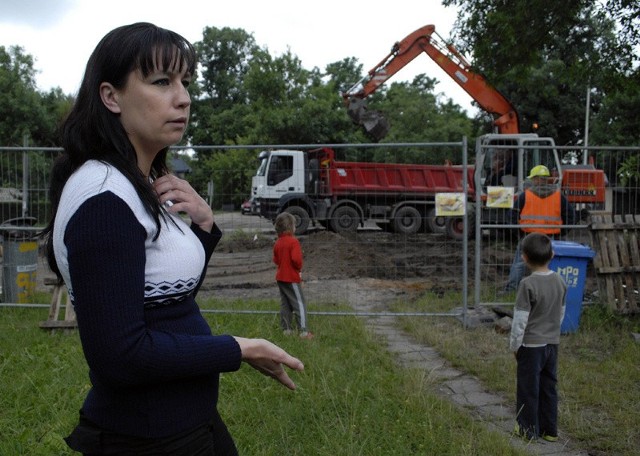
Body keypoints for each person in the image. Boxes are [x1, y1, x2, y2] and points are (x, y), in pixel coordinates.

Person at [40, 22, 303, 455]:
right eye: (161, 81)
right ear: (111, 96)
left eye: (185, 82)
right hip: (147, 436)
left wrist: (204, 226)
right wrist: (239, 349)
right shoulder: (105, 200)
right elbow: (121, 355)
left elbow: (168, 302)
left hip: (184, 422)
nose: (183, 97)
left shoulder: (140, 182)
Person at [509, 232, 566, 442]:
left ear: (524, 257)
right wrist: (552, 331)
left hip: (531, 346)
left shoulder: (527, 284)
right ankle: (549, 430)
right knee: (549, 386)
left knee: (527, 387)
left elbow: (520, 321)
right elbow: (561, 312)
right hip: (552, 344)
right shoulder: (560, 280)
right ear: (552, 254)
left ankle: (527, 429)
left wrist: (515, 346)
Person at [502, 164, 576, 292]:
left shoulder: (525, 195)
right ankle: (550, 289)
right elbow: (571, 216)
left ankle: (511, 289)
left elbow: (512, 214)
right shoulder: (559, 196)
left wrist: (518, 233)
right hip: (552, 237)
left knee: (520, 263)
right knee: (551, 263)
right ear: (546, 179)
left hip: (529, 236)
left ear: (536, 179)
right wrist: (562, 232)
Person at [273, 212, 314, 339]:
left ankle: (286, 329)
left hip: (280, 278)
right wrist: (299, 268)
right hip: (291, 278)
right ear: (291, 227)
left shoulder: (278, 242)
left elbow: (276, 260)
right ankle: (303, 331)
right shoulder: (293, 242)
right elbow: (297, 260)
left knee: (285, 303)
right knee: (299, 303)